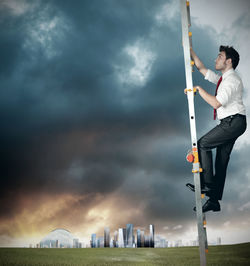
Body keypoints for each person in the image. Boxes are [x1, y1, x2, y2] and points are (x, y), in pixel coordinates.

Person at [186, 46, 247, 213]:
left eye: (220, 56)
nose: (216, 59)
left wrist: (198, 90)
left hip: (233, 122)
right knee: (220, 163)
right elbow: (202, 69)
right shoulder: (223, 79)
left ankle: (207, 184)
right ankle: (214, 201)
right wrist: (190, 50)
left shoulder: (232, 80)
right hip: (233, 122)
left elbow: (216, 103)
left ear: (229, 61)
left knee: (203, 144)